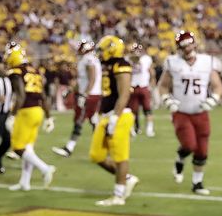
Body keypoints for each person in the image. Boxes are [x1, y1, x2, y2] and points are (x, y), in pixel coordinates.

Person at [155, 31, 222, 192]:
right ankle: (180, 157)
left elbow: (218, 85)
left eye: (189, 44)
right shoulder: (173, 62)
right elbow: (163, 86)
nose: (187, 49)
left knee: (202, 150)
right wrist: (167, 100)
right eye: (183, 46)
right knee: (189, 144)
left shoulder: (206, 61)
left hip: (201, 112)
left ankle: (197, 183)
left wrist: (213, 99)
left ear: (195, 44)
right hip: (181, 111)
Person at [89, 36, 140, 206]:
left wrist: (115, 117)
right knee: (96, 155)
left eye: (102, 50)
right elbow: (107, 94)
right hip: (107, 114)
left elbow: (124, 93)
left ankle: (118, 195)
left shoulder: (121, 65)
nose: (100, 54)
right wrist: (99, 112)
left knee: (120, 156)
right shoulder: (107, 65)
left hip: (119, 115)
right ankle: (127, 178)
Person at [4, 45, 56, 192]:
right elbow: (44, 96)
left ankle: (45, 168)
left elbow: (20, 96)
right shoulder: (35, 71)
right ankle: (24, 183)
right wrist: (49, 117)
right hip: (38, 111)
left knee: (18, 147)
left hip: (26, 111)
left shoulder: (16, 71)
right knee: (28, 149)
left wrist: (12, 115)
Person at [54, 40, 102, 158]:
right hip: (91, 93)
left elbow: (92, 78)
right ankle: (103, 145)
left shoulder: (88, 59)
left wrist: (85, 94)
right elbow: (83, 80)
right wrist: (71, 90)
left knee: (79, 119)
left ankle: (69, 148)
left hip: (89, 94)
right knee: (92, 119)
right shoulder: (89, 59)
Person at [128, 41, 156, 137]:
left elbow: (152, 72)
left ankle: (149, 129)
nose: (136, 53)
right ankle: (134, 129)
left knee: (147, 109)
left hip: (143, 86)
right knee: (132, 111)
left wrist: (151, 85)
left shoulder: (146, 59)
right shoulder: (128, 60)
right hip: (133, 87)